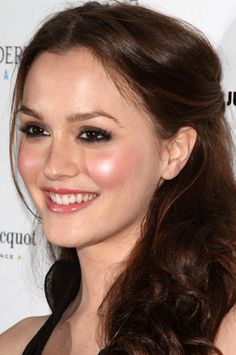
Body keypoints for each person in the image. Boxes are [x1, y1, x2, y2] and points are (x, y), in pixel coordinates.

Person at [0, 1, 236, 354]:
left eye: (93, 134)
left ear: (173, 152)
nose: (53, 166)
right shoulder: (15, 343)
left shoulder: (225, 336)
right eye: (36, 129)